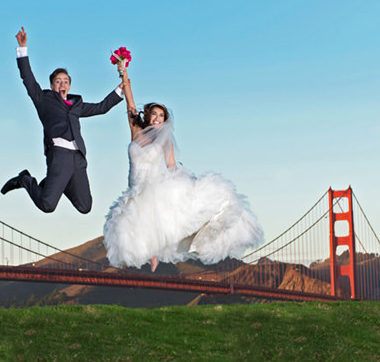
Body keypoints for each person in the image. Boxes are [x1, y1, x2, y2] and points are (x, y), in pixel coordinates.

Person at [103, 60, 264, 272]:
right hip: (135, 188)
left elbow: (171, 165)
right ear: (148, 115)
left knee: (163, 222)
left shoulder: (165, 139)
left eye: (162, 115)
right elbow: (130, 105)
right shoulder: (136, 132)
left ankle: (160, 255)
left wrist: (190, 183)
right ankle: (147, 259)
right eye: (155, 114)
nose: (158, 118)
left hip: (154, 187)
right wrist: (123, 72)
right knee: (129, 229)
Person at [1, 27, 124, 214]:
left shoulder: (77, 104)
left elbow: (102, 107)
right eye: (58, 81)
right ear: (52, 85)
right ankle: (25, 180)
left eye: (65, 81)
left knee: (85, 207)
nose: (62, 84)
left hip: (78, 158)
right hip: (59, 156)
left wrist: (121, 90)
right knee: (47, 205)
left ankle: (59, 183)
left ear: (70, 85)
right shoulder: (43, 99)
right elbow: (28, 79)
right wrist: (22, 49)